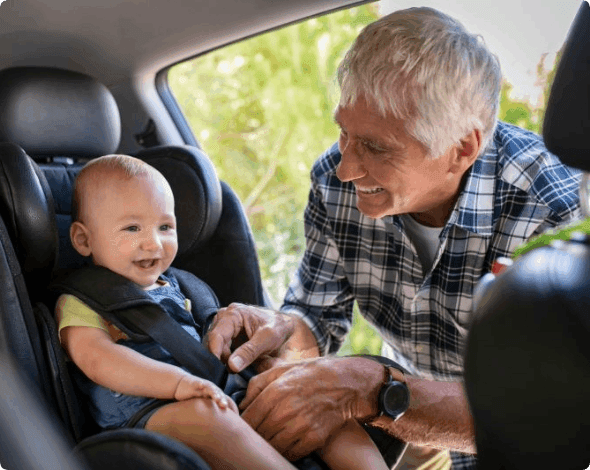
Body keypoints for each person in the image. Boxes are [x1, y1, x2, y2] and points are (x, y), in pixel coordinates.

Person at [205, 7, 582, 470]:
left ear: (461, 148)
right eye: (344, 132)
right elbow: (316, 318)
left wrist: (375, 389)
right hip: (411, 424)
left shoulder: (555, 211)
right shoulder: (334, 180)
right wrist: (279, 329)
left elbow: (549, 414)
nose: (346, 168)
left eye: (377, 147)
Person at [55, 154, 390, 470]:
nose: (153, 244)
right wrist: (178, 384)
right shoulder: (82, 300)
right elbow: (97, 358)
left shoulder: (183, 287)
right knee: (206, 418)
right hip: (144, 409)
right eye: (132, 229)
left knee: (316, 396)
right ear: (83, 240)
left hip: (212, 389)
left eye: (165, 227)